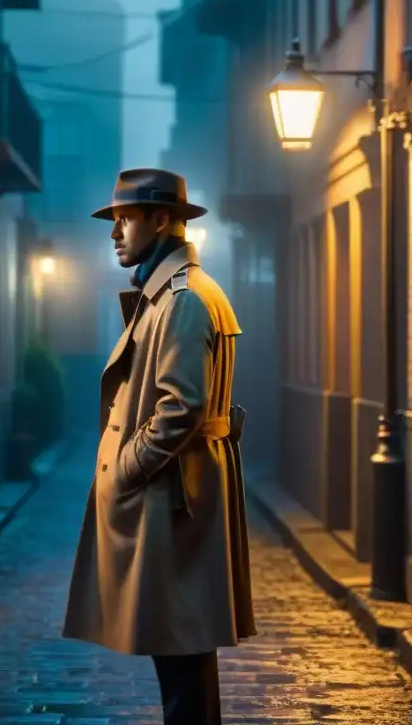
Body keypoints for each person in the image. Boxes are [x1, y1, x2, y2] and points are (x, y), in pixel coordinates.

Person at [62, 168, 256, 725]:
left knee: (183, 653)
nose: (115, 231)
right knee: (182, 651)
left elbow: (181, 408)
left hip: (177, 497)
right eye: (115, 220)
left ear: (162, 220)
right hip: (180, 493)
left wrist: (125, 468)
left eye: (126, 218)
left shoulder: (183, 299)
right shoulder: (171, 292)